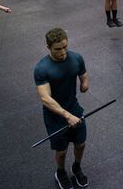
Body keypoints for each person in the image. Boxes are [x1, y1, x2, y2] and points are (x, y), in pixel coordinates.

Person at [34, 28, 89, 189]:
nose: (63, 52)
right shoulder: (42, 68)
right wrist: (67, 116)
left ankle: (76, 167)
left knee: (80, 144)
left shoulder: (76, 58)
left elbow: (83, 73)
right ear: (48, 48)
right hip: (55, 116)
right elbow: (45, 98)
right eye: (58, 49)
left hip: (74, 108)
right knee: (62, 151)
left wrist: (85, 84)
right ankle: (60, 172)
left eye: (65, 47)